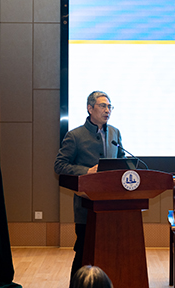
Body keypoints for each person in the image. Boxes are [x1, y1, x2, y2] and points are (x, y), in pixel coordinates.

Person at [54, 91, 124, 281]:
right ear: (90, 108)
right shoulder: (75, 135)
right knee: (83, 252)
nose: (107, 110)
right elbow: (59, 165)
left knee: (110, 251)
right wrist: (86, 171)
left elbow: (121, 161)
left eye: (109, 106)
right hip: (86, 207)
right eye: (103, 106)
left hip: (112, 207)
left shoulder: (115, 133)